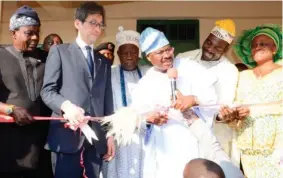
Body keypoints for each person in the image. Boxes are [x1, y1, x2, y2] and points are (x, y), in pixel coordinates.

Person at [104, 27, 243, 178]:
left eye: (168, 50)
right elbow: (138, 113)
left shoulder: (191, 67)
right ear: (148, 57)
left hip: (192, 141)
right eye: (159, 53)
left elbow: (211, 101)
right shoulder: (147, 81)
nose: (166, 56)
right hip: (163, 147)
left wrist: (194, 99)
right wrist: (149, 118)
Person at [41, 2, 114, 178]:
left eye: (101, 24)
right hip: (67, 139)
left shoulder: (103, 62)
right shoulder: (60, 52)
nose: (97, 29)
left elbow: (107, 102)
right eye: (93, 23)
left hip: (95, 142)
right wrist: (66, 106)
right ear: (77, 23)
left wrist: (111, 135)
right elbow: (47, 91)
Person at [218, 24, 282, 178]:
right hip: (248, 147)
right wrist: (236, 114)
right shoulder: (243, 76)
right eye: (254, 45)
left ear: (274, 48)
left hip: (277, 145)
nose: (257, 47)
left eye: (263, 44)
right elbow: (236, 104)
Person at [0, 5, 51, 178]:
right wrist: (11, 109)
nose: (36, 37)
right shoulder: (1, 56)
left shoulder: (47, 59)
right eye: (29, 33)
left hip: (42, 146)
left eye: (37, 32)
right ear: (14, 33)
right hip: (8, 148)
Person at [177, 19, 239, 159]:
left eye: (218, 48)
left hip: (212, 135)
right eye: (209, 42)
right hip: (182, 131)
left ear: (226, 50)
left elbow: (222, 107)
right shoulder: (183, 58)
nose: (210, 49)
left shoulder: (229, 71)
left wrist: (222, 115)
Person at [102, 27, 149, 178]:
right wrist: (108, 134)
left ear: (139, 54)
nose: (129, 56)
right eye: (125, 53)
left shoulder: (149, 73)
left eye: (133, 52)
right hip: (117, 138)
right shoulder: (109, 74)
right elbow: (103, 107)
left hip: (145, 137)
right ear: (118, 55)